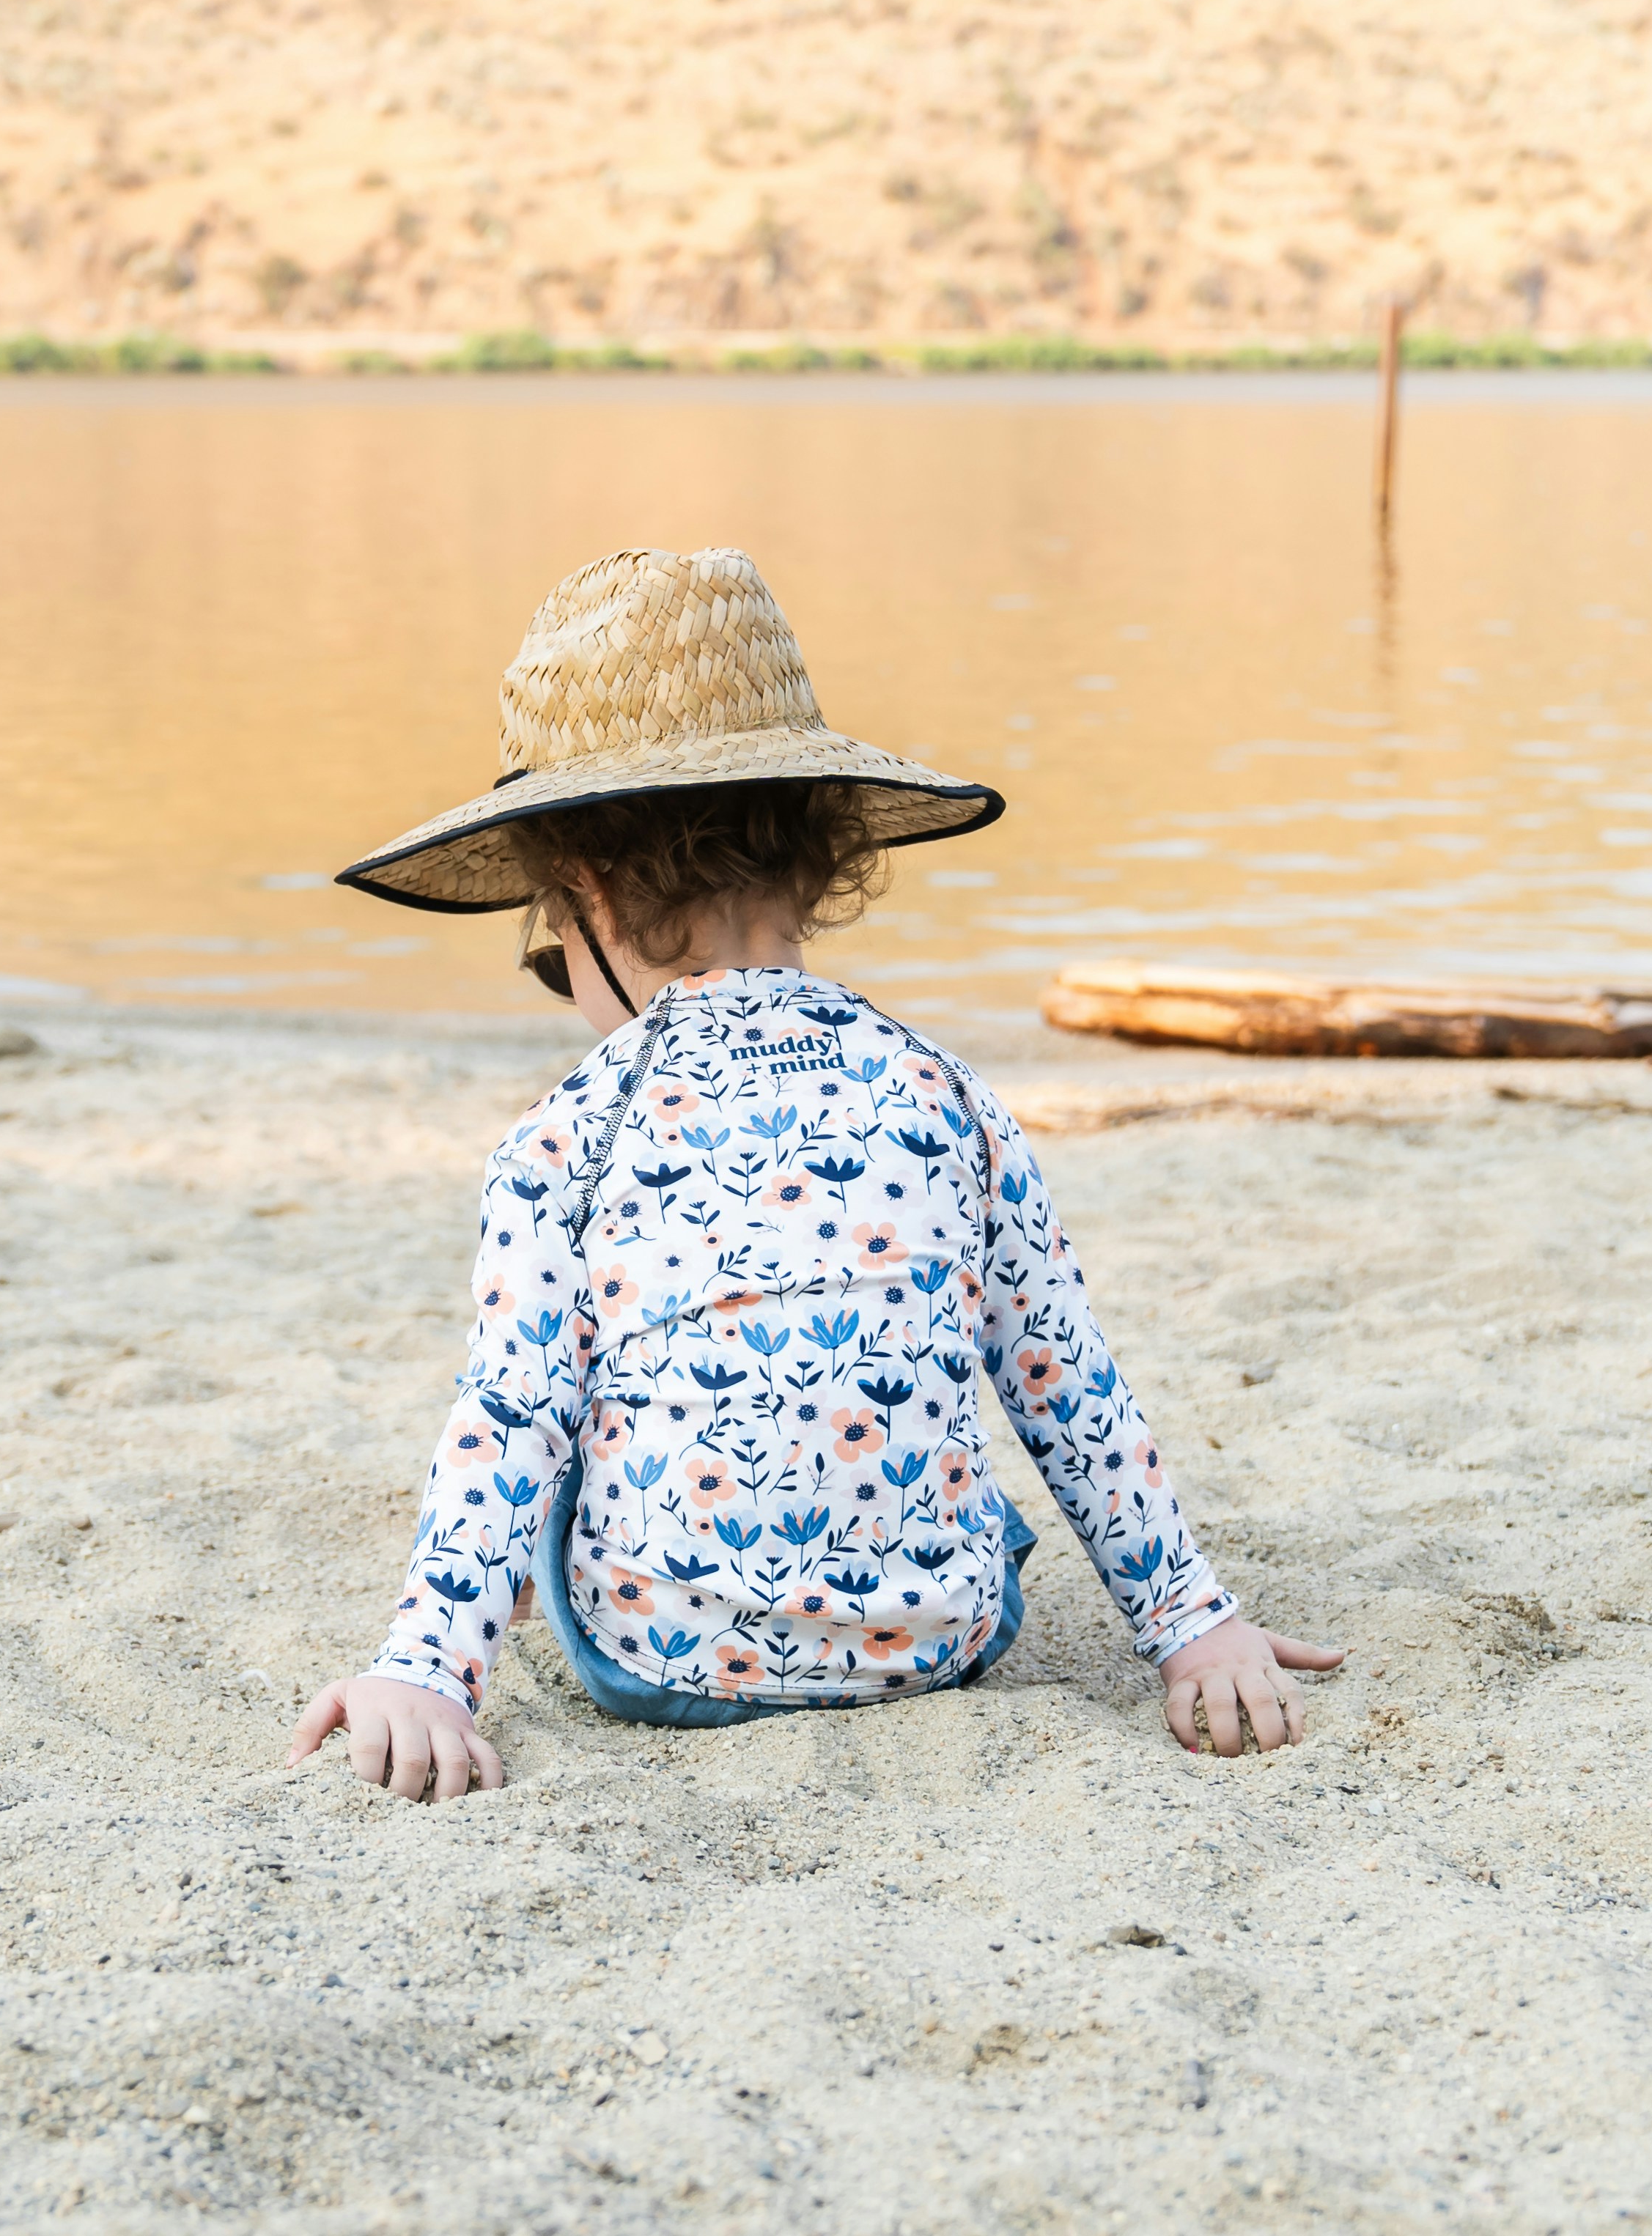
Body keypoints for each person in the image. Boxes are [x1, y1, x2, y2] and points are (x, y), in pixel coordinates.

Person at [287, 547, 1341, 1800]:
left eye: (546, 937)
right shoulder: (947, 1091)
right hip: (947, 1648)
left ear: (582, 893)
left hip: (654, 1666)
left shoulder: (564, 1132)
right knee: (945, 1368)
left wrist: (424, 1670)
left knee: (559, 1392)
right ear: (819, 862)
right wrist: (1189, 1624)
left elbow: (508, 1417)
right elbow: (1064, 1380)